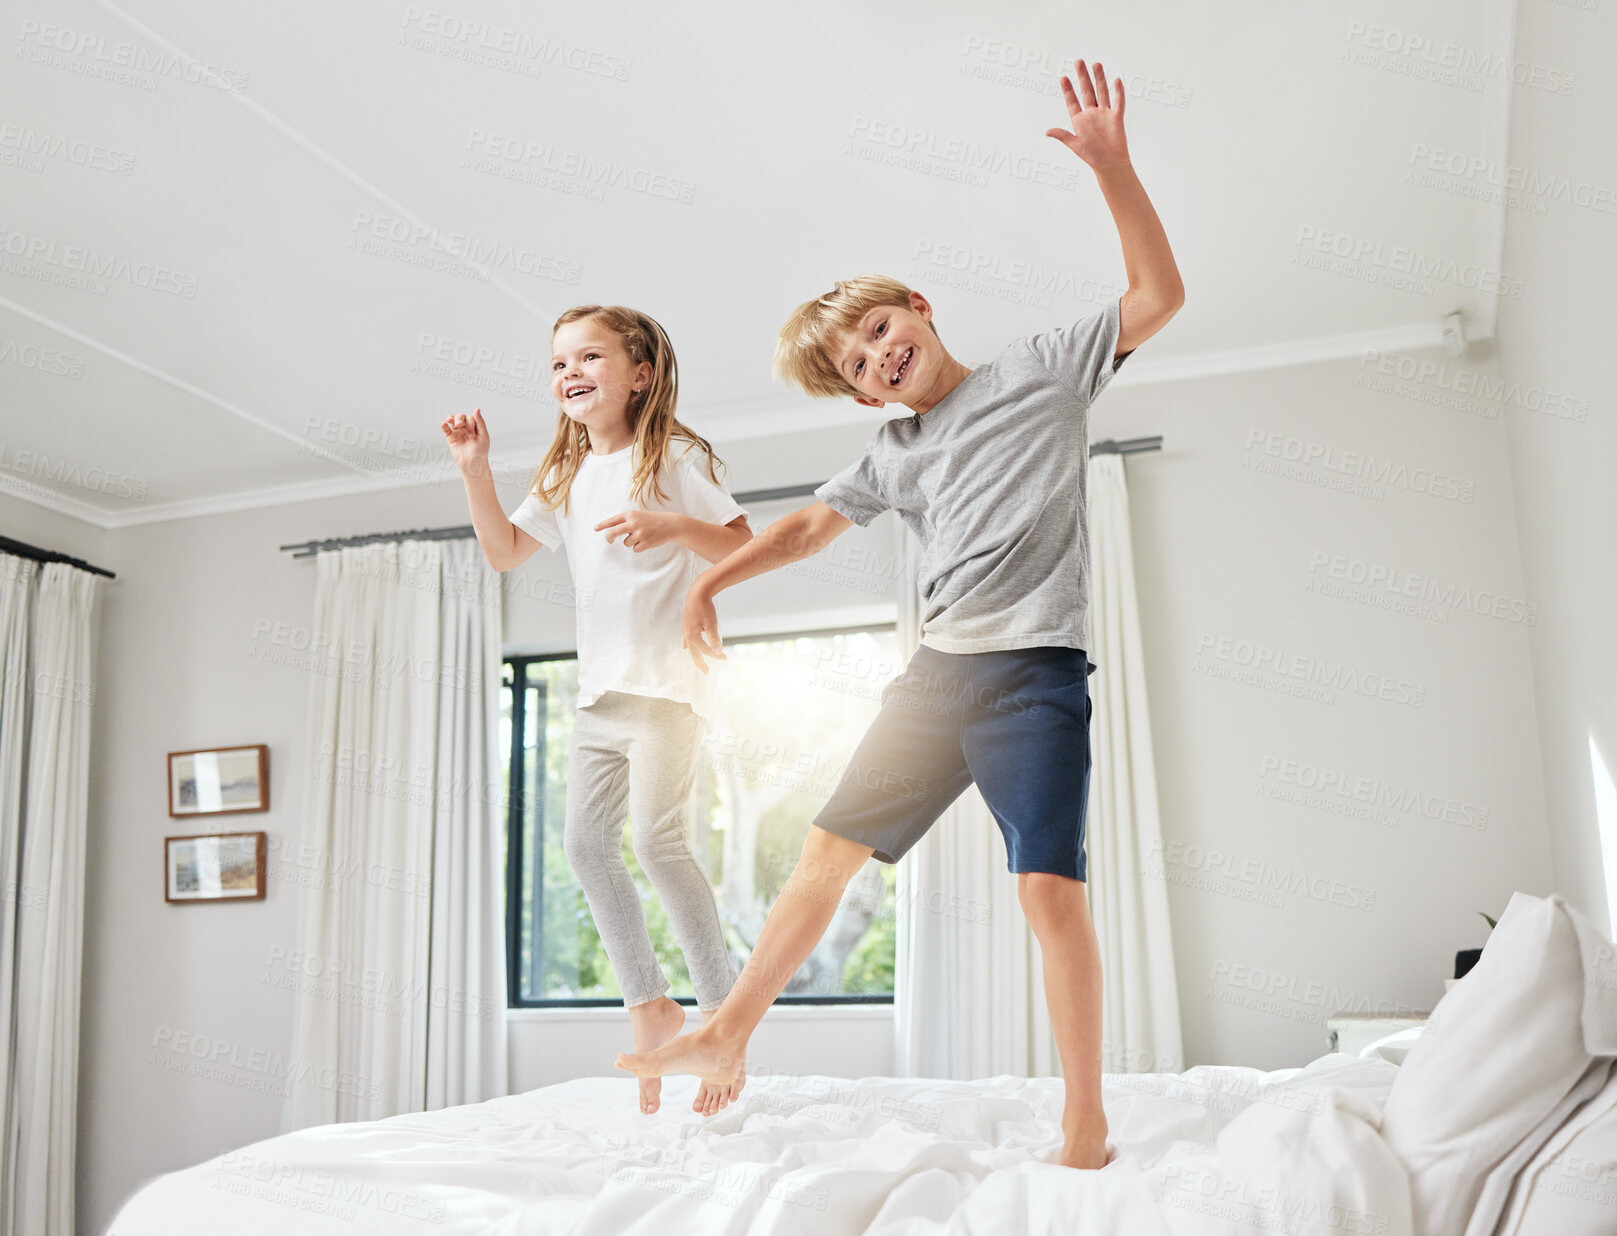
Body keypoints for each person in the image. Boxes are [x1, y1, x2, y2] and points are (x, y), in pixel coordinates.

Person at [615, 59, 1184, 1168]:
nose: (879, 355)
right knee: (824, 857)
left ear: (918, 307)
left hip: (1034, 675)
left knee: (1045, 888)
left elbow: (1157, 297)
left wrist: (1114, 170)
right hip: (934, 681)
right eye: (858, 364)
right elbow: (804, 529)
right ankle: (725, 1035)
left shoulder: (1044, 371)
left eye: (881, 328)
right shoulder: (892, 451)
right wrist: (707, 578)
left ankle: (1085, 1116)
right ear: (865, 395)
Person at [442, 305, 753, 1117]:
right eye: (557, 364)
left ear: (640, 373)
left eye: (589, 356)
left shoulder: (672, 456)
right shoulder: (567, 476)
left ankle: (721, 1011)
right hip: (597, 699)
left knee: (655, 840)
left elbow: (744, 544)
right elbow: (505, 552)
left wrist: (675, 526)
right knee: (585, 846)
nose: (569, 373)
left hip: (662, 690)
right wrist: (476, 468)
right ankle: (649, 1002)